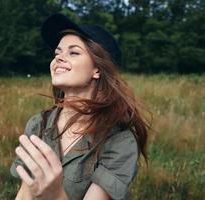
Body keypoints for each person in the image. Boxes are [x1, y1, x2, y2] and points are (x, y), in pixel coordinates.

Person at [10, 13, 150, 200]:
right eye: (57, 53)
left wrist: (55, 195)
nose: (58, 59)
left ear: (98, 69)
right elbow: (24, 194)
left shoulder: (119, 141)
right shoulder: (38, 124)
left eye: (73, 52)